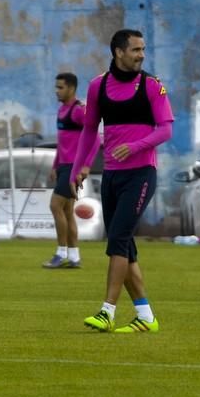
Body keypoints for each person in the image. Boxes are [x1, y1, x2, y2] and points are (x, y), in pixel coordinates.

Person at [70, 29, 174, 333]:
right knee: (124, 246)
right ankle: (145, 316)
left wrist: (137, 146)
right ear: (118, 52)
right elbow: (89, 131)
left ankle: (107, 311)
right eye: (136, 50)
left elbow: (165, 130)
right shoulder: (97, 86)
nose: (141, 54)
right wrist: (80, 168)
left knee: (117, 240)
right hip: (112, 176)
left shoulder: (153, 86)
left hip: (141, 174)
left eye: (143, 49)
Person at [42, 72, 100, 269]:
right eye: (56, 87)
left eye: (61, 87)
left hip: (73, 168)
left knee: (55, 206)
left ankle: (60, 253)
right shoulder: (61, 111)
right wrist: (55, 165)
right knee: (66, 212)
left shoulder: (78, 111)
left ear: (72, 88)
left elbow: (96, 138)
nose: (57, 91)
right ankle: (74, 257)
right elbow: (63, 142)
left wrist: (86, 165)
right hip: (64, 167)